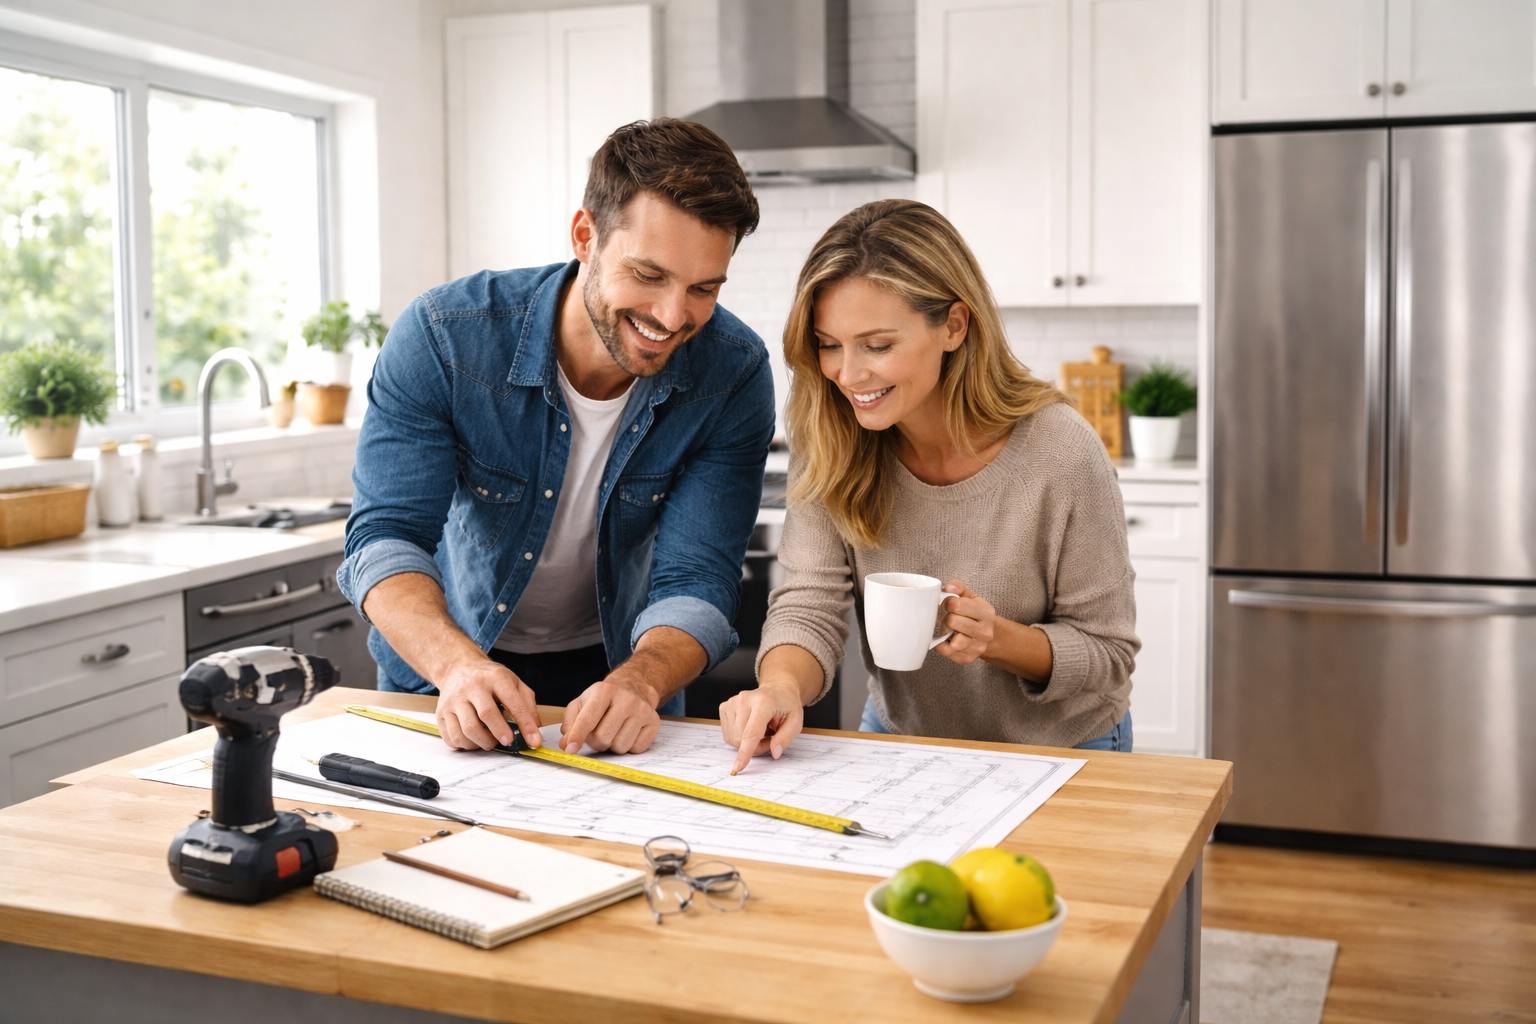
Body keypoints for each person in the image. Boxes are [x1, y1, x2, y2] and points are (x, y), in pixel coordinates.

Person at [339, 119, 774, 757]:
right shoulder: (445, 337)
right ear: (584, 237)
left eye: (703, 288)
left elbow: (697, 578)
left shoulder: (732, 372)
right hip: (446, 674)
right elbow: (387, 538)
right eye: (649, 275)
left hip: (620, 682)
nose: (673, 316)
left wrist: (642, 680)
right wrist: (456, 667)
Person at [719, 199, 1138, 773]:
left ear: (954, 326)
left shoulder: (1060, 452)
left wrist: (998, 639)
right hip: (903, 734)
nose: (848, 373)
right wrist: (782, 687)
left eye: (878, 345)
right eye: (829, 344)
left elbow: (1109, 655)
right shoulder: (831, 438)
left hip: (1061, 748)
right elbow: (809, 602)